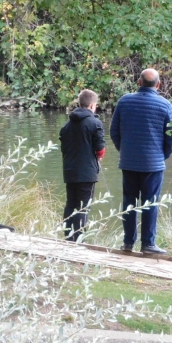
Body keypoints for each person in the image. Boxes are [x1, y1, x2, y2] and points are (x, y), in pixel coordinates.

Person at [110, 68, 172, 254]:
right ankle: (148, 245)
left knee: (129, 202)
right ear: (158, 85)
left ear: (139, 82)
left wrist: (125, 151)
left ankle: (128, 243)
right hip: (153, 164)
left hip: (129, 162)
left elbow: (114, 131)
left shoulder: (124, 102)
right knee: (151, 203)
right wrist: (161, 155)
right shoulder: (165, 105)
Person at [59, 89, 106, 242]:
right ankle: (79, 240)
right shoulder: (95, 123)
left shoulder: (66, 126)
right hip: (87, 173)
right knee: (83, 207)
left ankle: (68, 238)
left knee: (70, 205)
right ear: (92, 105)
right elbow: (100, 150)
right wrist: (98, 158)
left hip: (69, 171)